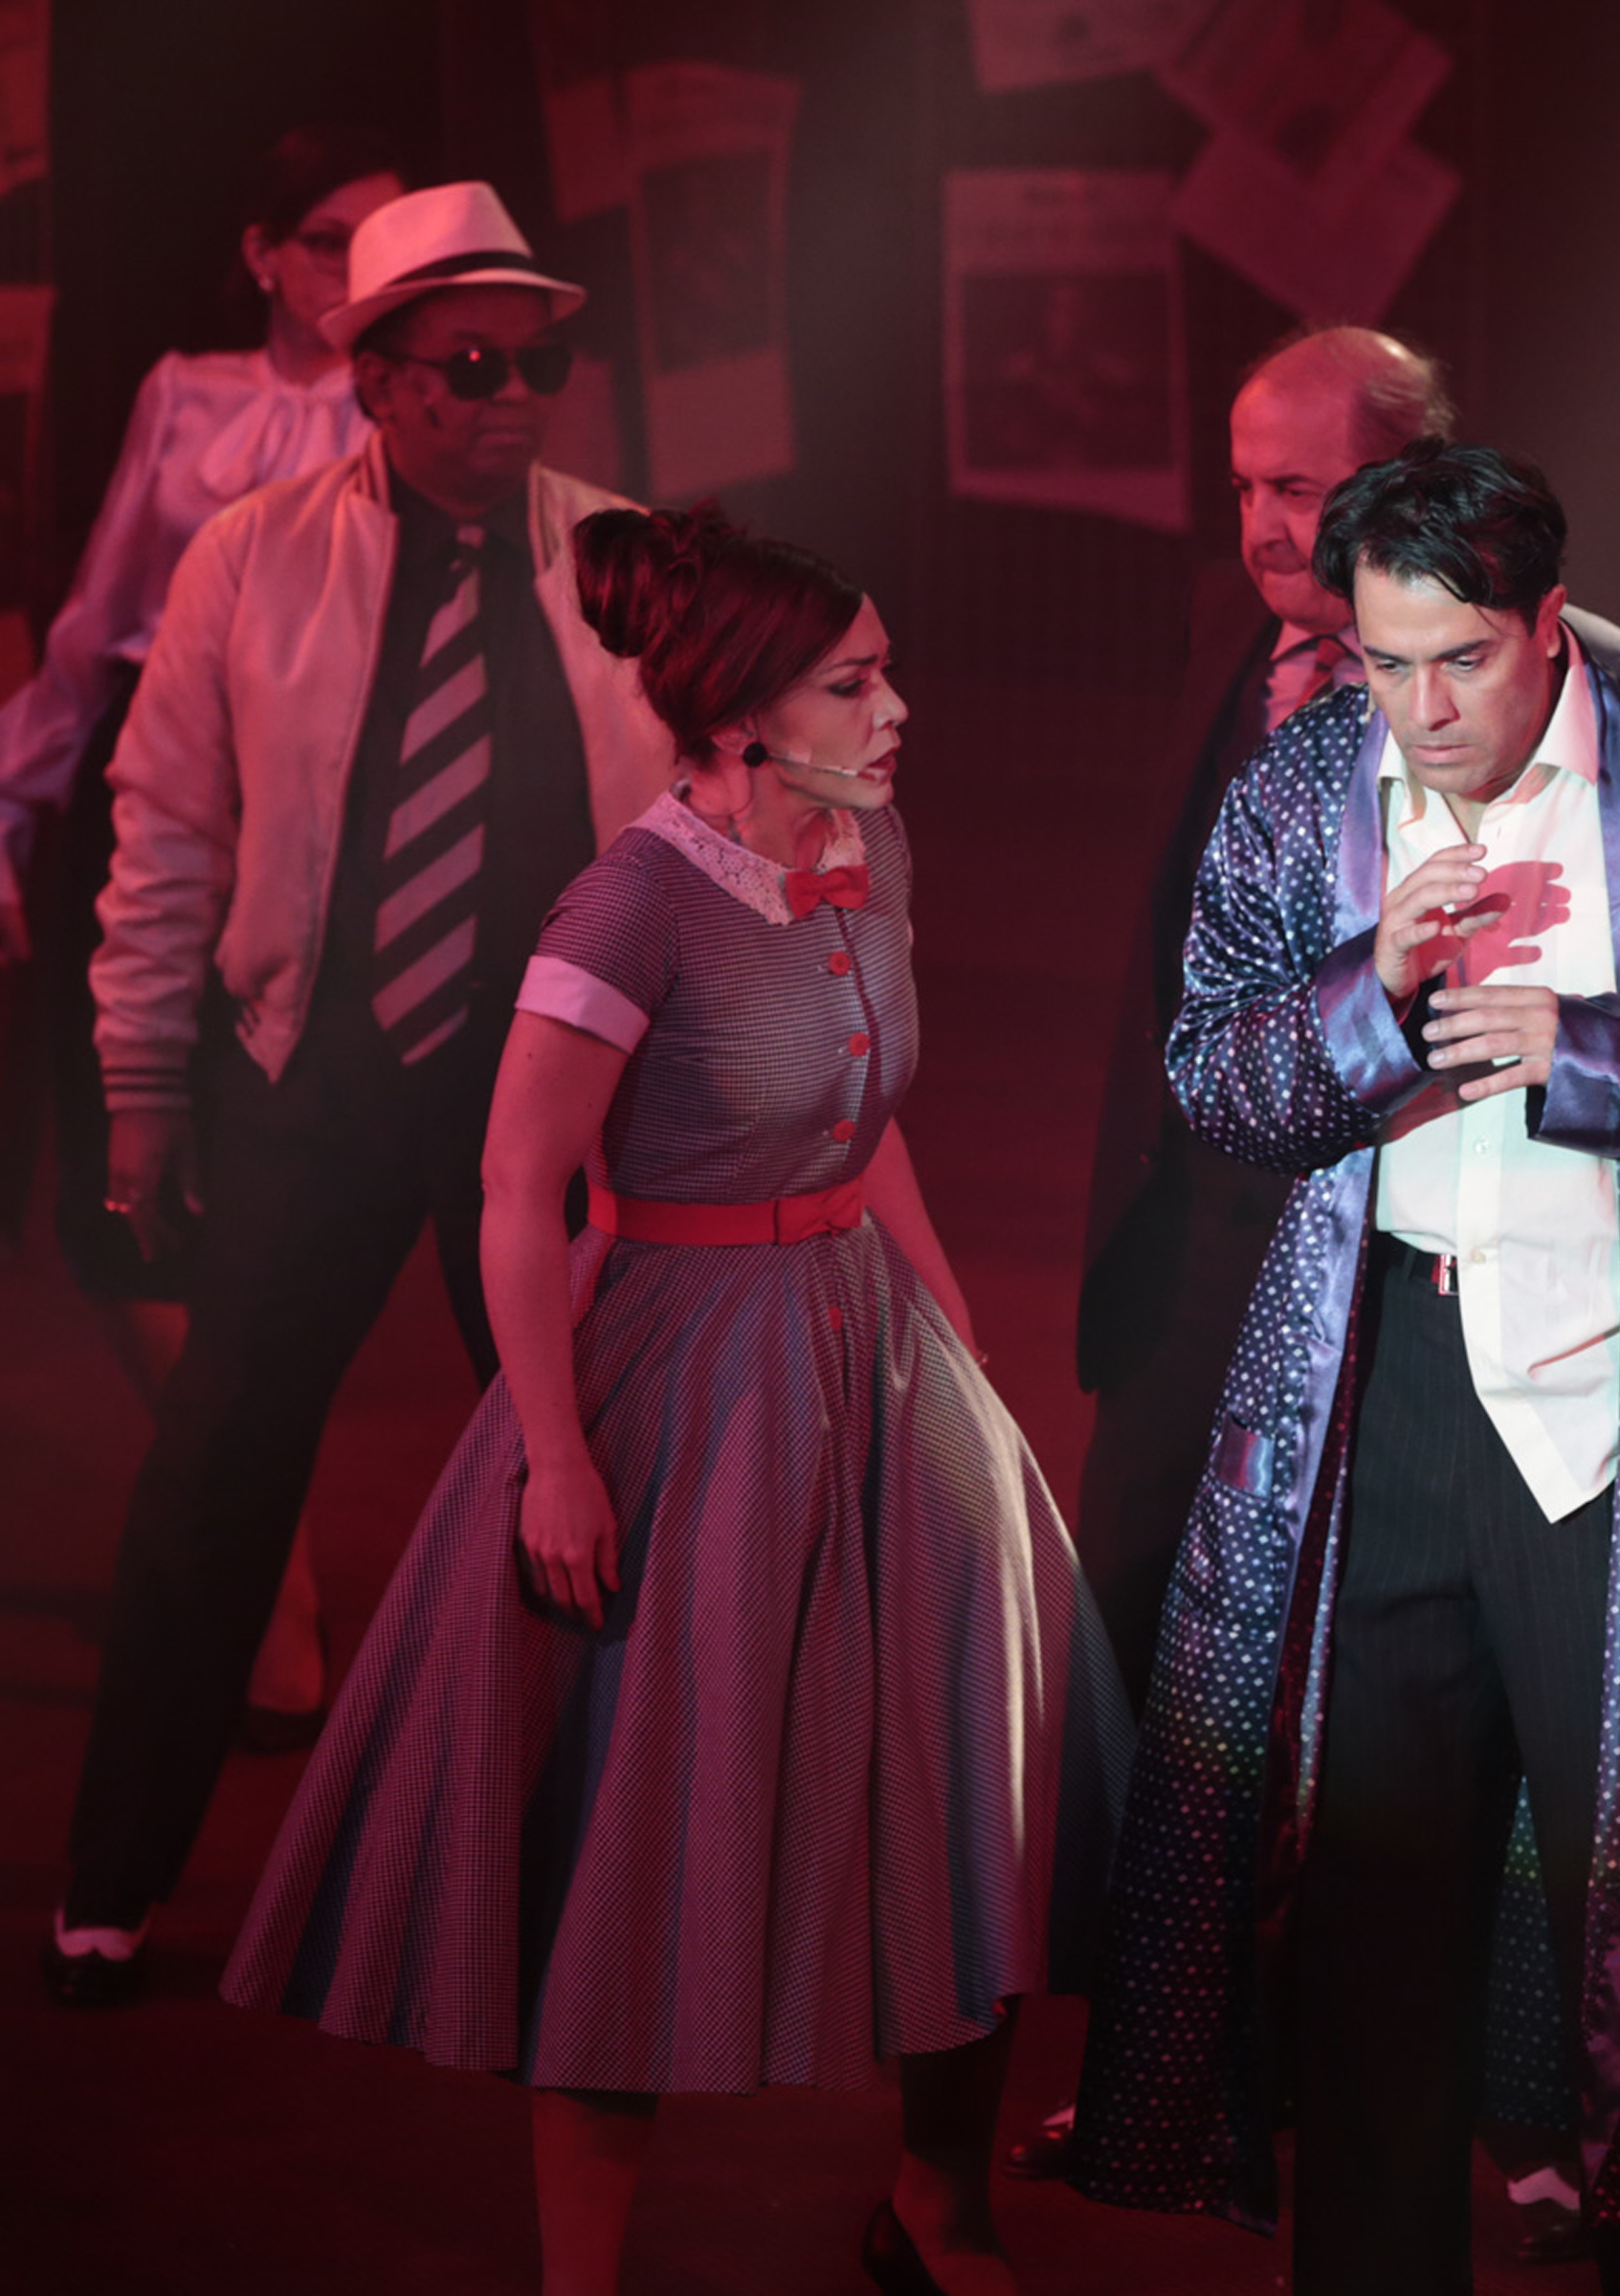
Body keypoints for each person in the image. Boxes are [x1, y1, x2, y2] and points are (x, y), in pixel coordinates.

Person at [223, 506, 1125, 2296]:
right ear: (734, 717)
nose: (894, 710)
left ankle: (939, 2204)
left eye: (885, 673)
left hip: (867, 1337)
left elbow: (862, 1121)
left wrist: (950, 1329)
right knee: (642, 1822)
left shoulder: (870, 844)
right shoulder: (630, 904)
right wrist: (554, 1457)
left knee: (977, 1769)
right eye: (851, 683)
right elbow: (516, 1187)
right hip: (689, 1362)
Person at [1069, 441, 1620, 2294]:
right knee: (1372, 1935)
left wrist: (1590, 1054)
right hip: (1384, 1396)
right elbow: (1214, 1080)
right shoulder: (1303, 789)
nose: (1424, 709)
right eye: (1387, 663)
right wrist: (1368, 997)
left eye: (1461, 659)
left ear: (1550, 623)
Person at [1046, 322, 1620, 2256]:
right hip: (1207, 1251)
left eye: (1302, 487)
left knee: (1458, 1722)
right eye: (1244, 483)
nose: (1263, 527)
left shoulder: (1602, 688)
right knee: (1160, 1660)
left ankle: (1534, 2100)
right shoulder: (1240, 650)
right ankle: (1204, 2071)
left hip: (1433, 1285)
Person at [47, 182, 676, 2007]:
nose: (513, 398)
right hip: (309, 1083)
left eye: (538, 364)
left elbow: (707, 826)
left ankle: (617, 1884)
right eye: (472, 366)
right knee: (215, 1474)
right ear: (378, 382)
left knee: (587, 1476)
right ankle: (109, 1885)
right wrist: (142, 1083)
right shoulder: (251, 559)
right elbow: (167, 828)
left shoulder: (628, 558)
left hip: (545, 1103)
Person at [0, 124, 406, 1743]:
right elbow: (93, 625)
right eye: (331, 237)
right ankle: (263, 1552)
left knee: (268, 1200)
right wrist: (5, 827)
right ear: (264, 255)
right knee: (114, 1205)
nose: (359, 268)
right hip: (146, 795)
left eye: (385, 238)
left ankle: (269, 1588)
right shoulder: (182, 392)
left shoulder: (422, 409)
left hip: (326, 822)